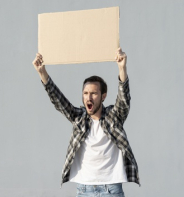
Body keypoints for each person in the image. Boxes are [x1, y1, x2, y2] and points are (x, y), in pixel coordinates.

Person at [32, 48, 139, 197]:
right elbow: (58, 100)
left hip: (111, 189)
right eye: (85, 93)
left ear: (103, 96)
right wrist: (42, 72)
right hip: (84, 190)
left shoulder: (114, 117)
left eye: (94, 93)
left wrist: (122, 69)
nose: (89, 98)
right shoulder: (79, 118)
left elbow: (124, 99)